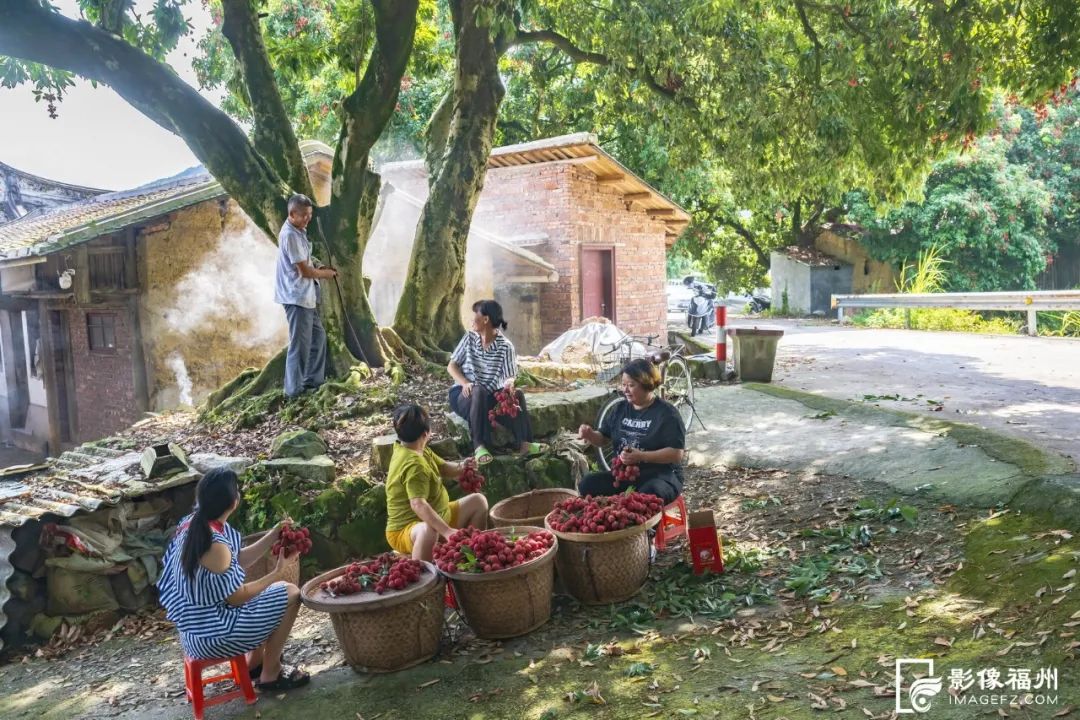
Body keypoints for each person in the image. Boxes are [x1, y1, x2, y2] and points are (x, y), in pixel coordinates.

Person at [157, 468, 309, 691]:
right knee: (291, 593)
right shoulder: (214, 544)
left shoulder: (195, 523)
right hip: (214, 636)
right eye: (236, 490)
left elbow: (238, 558)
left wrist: (274, 534)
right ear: (233, 502)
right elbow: (237, 598)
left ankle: (253, 665)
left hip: (196, 629)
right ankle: (271, 673)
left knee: (272, 593)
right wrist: (277, 572)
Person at [384, 404, 490, 561]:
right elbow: (418, 504)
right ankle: (425, 577)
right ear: (426, 433)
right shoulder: (414, 465)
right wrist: (447, 531)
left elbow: (444, 468)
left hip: (442, 515)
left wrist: (463, 466)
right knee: (428, 531)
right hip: (407, 530)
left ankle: (471, 555)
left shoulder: (418, 449)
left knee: (478, 501)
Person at [447, 299, 545, 464]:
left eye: (475, 316)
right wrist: (465, 382)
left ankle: (524, 443)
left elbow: (509, 375)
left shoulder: (505, 347)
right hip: (464, 395)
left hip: (488, 399)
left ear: (485, 319)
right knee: (478, 390)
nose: (472, 320)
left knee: (517, 395)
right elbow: (452, 366)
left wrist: (509, 384)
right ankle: (479, 445)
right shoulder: (469, 338)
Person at [576, 358, 685, 504]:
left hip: (660, 477)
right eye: (623, 384)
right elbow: (603, 438)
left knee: (647, 496)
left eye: (631, 385)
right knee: (587, 484)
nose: (625, 390)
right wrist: (590, 435)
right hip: (624, 476)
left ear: (647, 385)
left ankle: (648, 526)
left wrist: (642, 456)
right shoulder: (620, 409)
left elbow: (676, 454)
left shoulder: (667, 414)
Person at [274, 193, 338, 398]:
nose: (308, 219)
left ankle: (313, 382)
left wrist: (317, 265)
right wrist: (326, 274)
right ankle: (293, 391)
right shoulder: (290, 235)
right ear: (292, 214)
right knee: (299, 346)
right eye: (304, 215)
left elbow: (306, 262)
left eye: (310, 214)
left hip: (306, 297)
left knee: (318, 338)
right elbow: (305, 272)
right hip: (297, 298)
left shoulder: (298, 230)